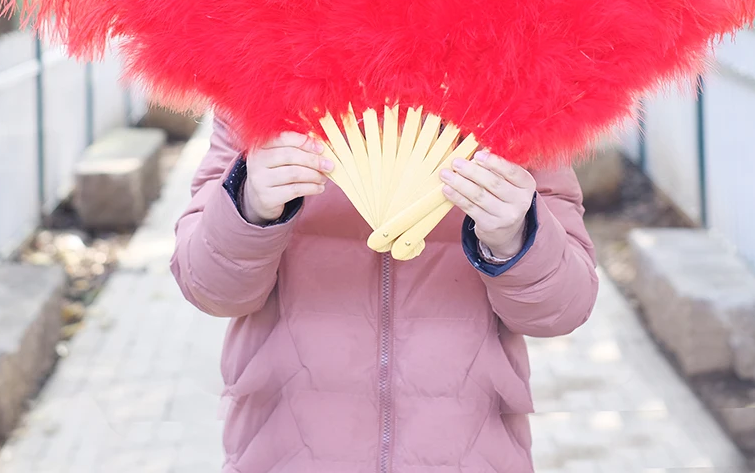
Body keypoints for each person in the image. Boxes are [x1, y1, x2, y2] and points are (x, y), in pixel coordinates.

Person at [170, 113, 599, 473]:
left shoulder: (521, 98)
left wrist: (515, 238)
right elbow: (210, 288)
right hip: (285, 446)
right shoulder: (260, 81)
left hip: (469, 448)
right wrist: (248, 205)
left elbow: (562, 309)